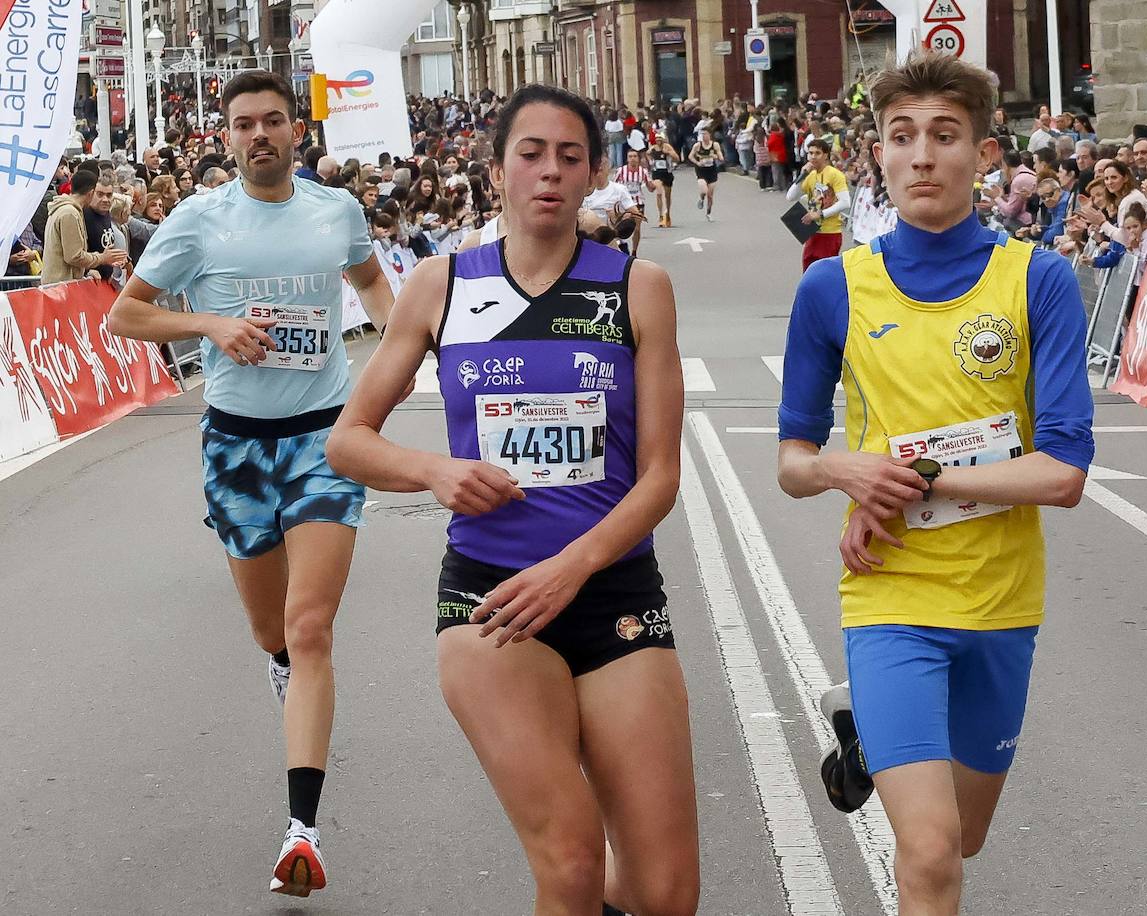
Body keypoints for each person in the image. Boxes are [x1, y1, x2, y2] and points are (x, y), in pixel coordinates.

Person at [324, 83, 699, 916]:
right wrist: (435, 472)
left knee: (664, 894)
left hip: (613, 592)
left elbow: (660, 475)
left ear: (596, 172)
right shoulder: (440, 285)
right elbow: (348, 441)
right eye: (530, 154)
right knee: (567, 860)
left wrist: (572, 568)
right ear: (495, 170)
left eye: (571, 157)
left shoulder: (639, 288)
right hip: (490, 599)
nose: (550, 173)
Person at [775, 50, 1093, 915]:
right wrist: (844, 467)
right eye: (902, 135)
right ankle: (881, 726)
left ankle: (867, 741)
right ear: (876, 151)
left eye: (944, 136)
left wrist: (922, 477)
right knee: (929, 853)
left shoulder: (1038, 280)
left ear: (984, 155)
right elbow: (794, 464)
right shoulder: (832, 287)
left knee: (965, 836)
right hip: (891, 597)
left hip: (1000, 604)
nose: (922, 155)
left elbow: (1063, 472)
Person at [107, 70, 396, 899]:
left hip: (326, 439)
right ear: (225, 137)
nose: (259, 135)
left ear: (295, 131)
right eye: (244, 125)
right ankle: (278, 658)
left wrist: (393, 342)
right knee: (273, 629)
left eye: (273, 121)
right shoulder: (196, 222)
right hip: (235, 446)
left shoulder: (335, 210)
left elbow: (371, 280)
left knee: (312, 629)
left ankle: (301, 830)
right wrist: (212, 326)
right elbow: (124, 315)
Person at [40, 169, 127, 285]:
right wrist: (102, 258)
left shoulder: (68, 210)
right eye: (99, 194)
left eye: (109, 195)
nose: (105, 199)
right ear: (91, 193)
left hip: (62, 285)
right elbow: (74, 256)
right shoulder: (69, 213)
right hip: (61, 287)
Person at [786, 138, 852, 271]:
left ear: (826, 155)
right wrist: (802, 175)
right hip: (813, 232)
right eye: (810, 153)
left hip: (830, 233)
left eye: (817, 153)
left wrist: (820, 214)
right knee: (808, 271)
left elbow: (845, 202)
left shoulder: (835, 175)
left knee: (824, 274)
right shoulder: (810, 175)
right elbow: (790, 197)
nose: (813, 157)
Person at [614, 148, 659, 256]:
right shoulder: (621, 171)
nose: (633, 159)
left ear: (638, 159)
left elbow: (650, 187)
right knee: (619, 226)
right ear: (627, 159)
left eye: (635, 156)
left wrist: (655, 185)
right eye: (630, 157)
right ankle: (620, 246)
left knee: (637, 228)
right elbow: (613, 186)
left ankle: (634, 251)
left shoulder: (642, 171)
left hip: (638, 202)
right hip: (623, 204)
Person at [688, 127, 725, 221]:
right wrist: (697, 163)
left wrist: (715, 156)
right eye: (703, 134)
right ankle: (701, 199)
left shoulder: (715, 145)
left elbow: (721, 158)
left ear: (710, 135)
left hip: (711, 170)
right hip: (701, 170)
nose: (704, 136)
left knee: (710, 195)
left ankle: (708, 213)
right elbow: (690, 156)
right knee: (704, 190)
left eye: (706, 134)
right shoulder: (697, 145)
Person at [649, 136, 680, 227]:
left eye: (660, 139)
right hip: (656, 173)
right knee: (659, 193)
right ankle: (660, 215)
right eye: (657, 139)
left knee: (667, 196)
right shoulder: (653, 148)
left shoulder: (668, 147)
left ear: (663, 140)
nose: (658, 140)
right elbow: (647, 154)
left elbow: (677, 158)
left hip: (667, 173)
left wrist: (669, 153)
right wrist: (650, 162)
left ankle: (668, 213)